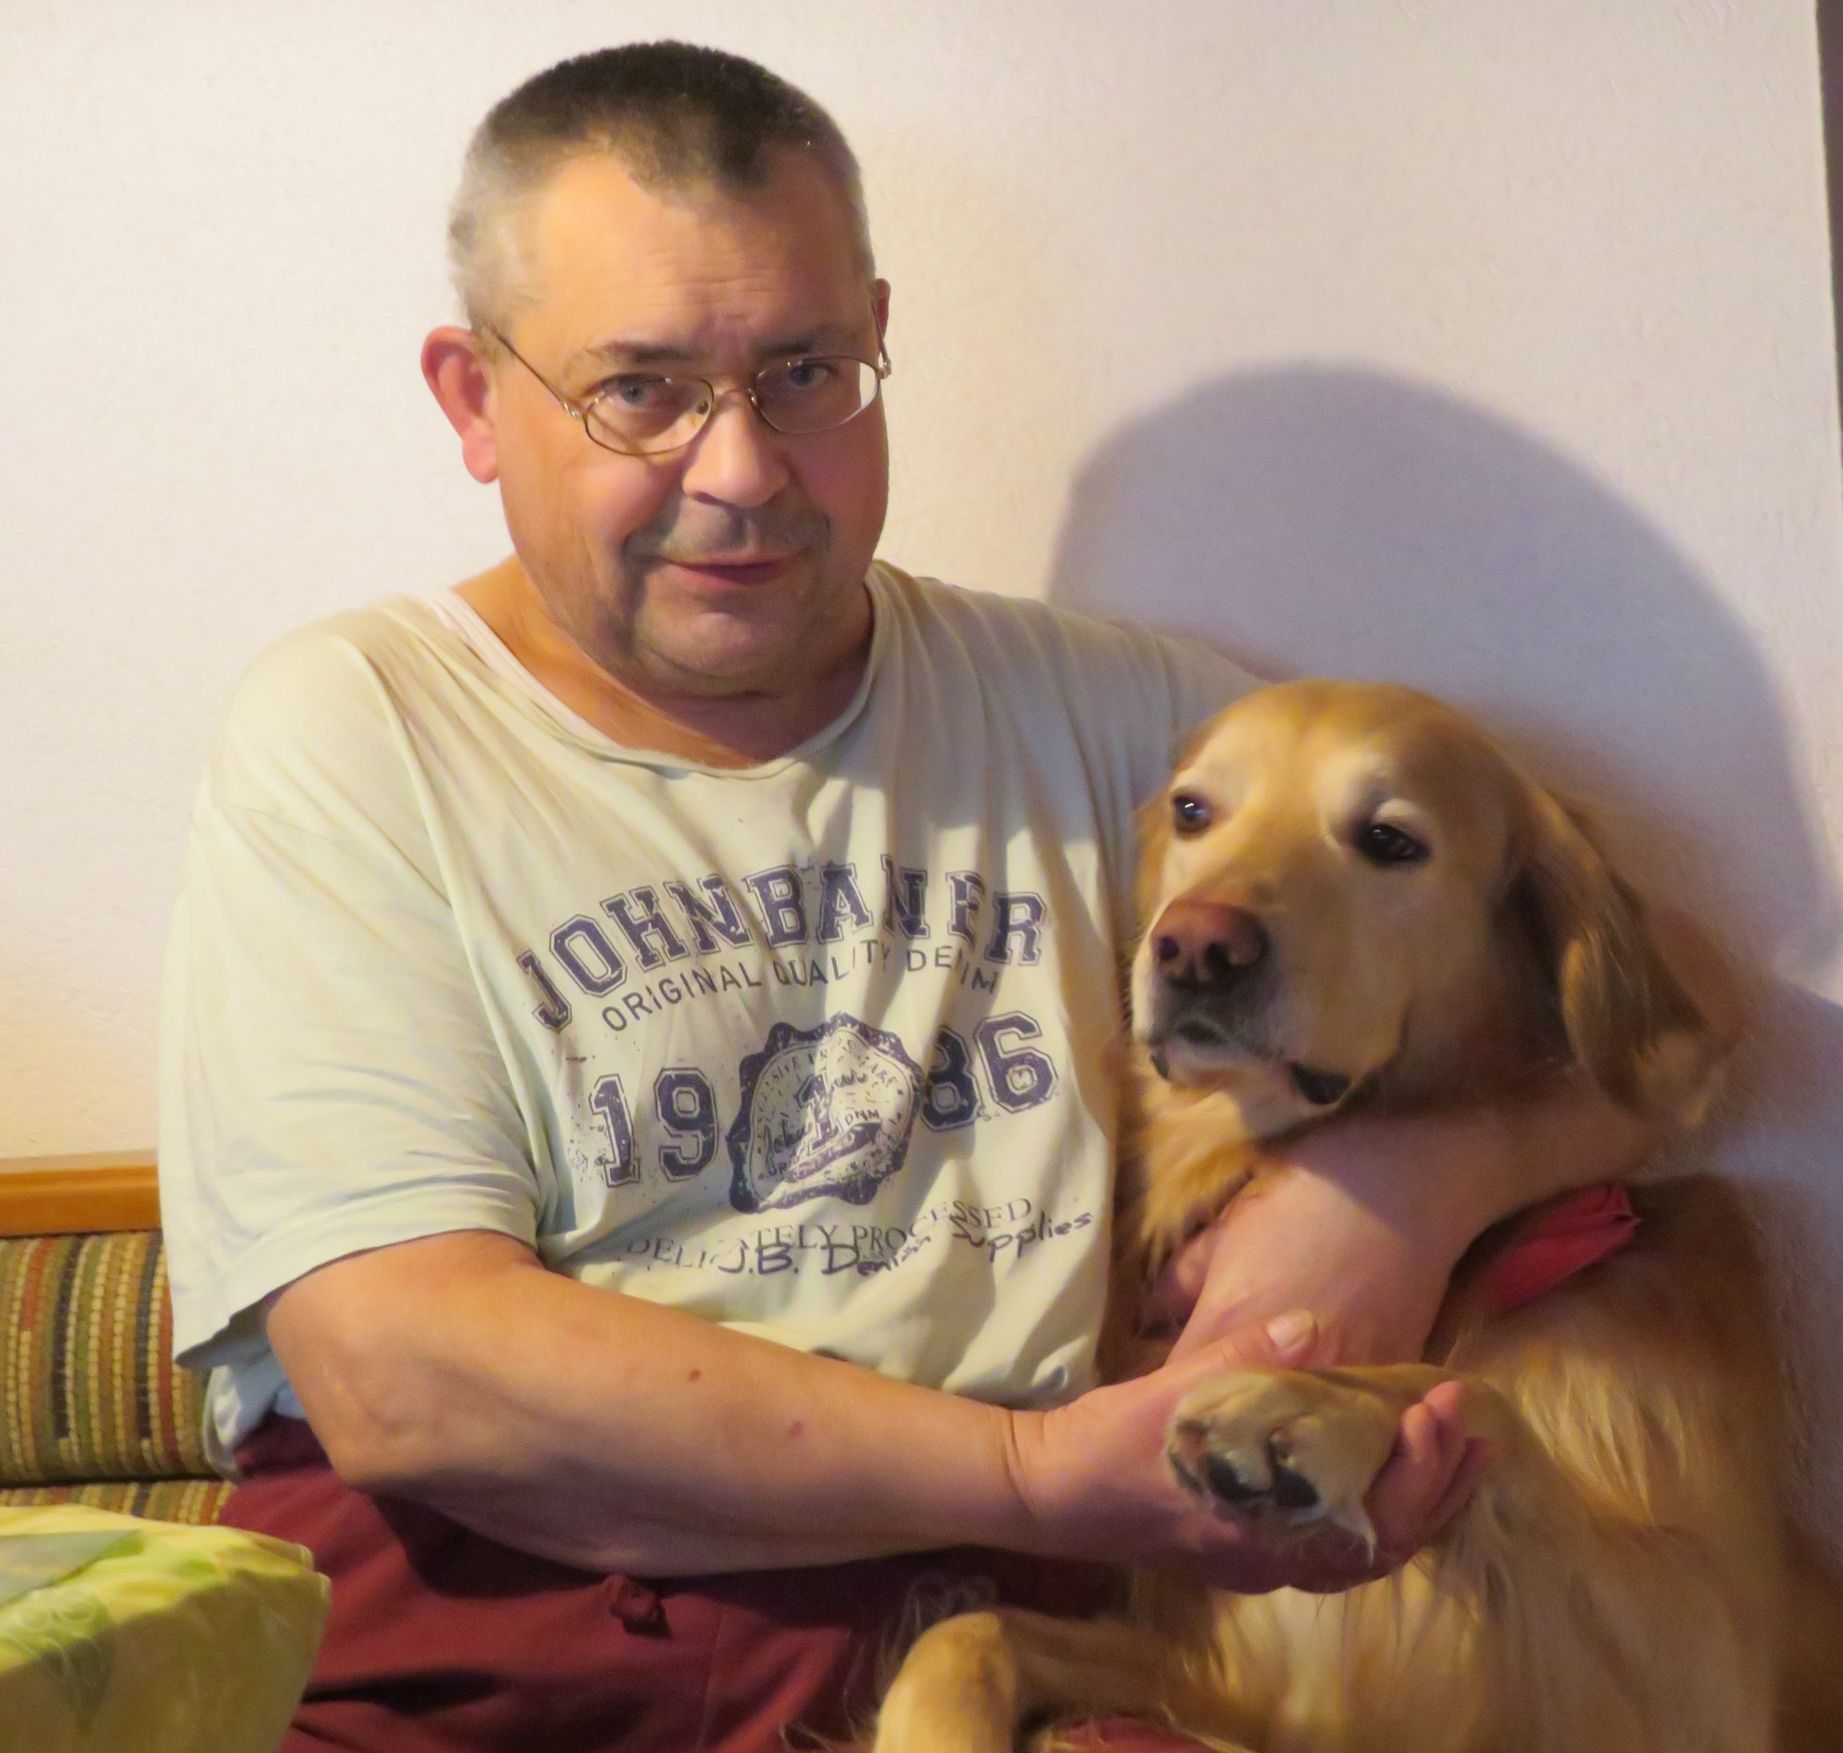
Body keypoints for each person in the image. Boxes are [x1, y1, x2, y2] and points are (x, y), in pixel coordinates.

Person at [157, 41, 1722, 1753]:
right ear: (474, 399)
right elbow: (406, 1372)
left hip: (994, 1649)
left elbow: (1671, 1017)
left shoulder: (1105, 717)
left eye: (805, 372)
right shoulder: (360, 731)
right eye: (642, 391)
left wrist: (1407, 1187)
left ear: (880, 340)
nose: (742, 468)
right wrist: (1034, 1473)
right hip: (482, 1655)